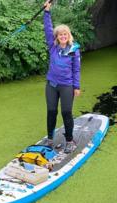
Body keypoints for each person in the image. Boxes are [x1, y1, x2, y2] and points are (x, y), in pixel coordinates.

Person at [43, 0, 81, 153]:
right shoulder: (53, 47)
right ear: (57, 37)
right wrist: (46, 12)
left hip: (67, 85)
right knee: (51, 111)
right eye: (60, 35)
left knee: (66, 112)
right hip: (52, 85)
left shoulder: (74, 50)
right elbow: (47, 29)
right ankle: (50, 139)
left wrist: (76, 86)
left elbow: (76, 70)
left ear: (68, 35)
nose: (63, 36)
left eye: (65, 34)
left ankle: (70, 141)